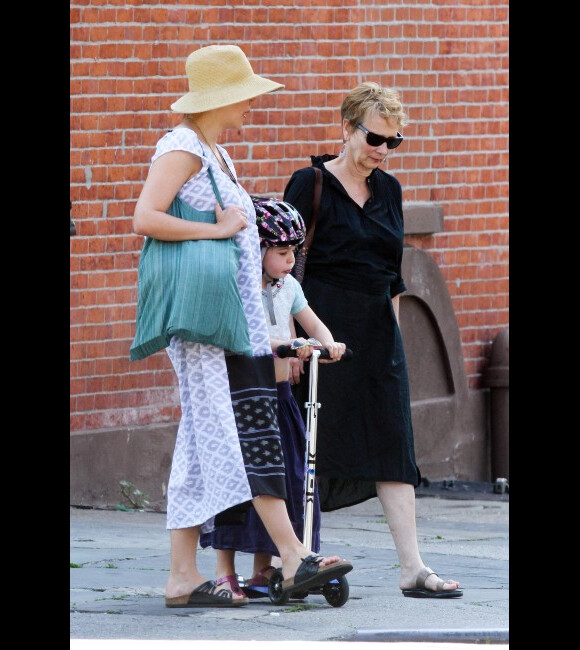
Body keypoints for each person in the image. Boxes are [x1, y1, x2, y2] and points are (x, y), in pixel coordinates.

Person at [130, 44, 352, 608]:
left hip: (233, 326)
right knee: (241, 434)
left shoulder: (214, 151)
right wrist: (219, 228)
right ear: (221, 97)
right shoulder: (182, 148)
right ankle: (294, 556)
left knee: (205, 444)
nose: (251, 105)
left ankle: (185, 575)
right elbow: (146, 217)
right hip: (209, 331)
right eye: (245, 94)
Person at [283, 82, 462, 599]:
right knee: (310, 444)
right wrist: (290, 341)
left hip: (377, 333)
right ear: (346, 128)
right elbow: (279, 268)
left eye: (393, 141)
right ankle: (295, 558)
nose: (383, 150)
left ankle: (412, 567)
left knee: (392, 443)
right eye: (375, 138)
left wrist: (396, 345)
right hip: (319, 329)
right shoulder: (309, 183)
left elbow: (393, 276)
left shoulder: (390, 191)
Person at [199, 198, 346, 598]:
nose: (289, 260)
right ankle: (226, 571)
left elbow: (312, 322)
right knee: (243, 485)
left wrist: (329, 344)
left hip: (280, 397)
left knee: (290, 479)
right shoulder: (240, 287)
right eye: (281, 252)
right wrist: (286, 344)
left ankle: (266, 569)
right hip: (248, 396)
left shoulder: (289, 287)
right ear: (258, 250)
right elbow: (248, 336)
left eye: (294, 252)